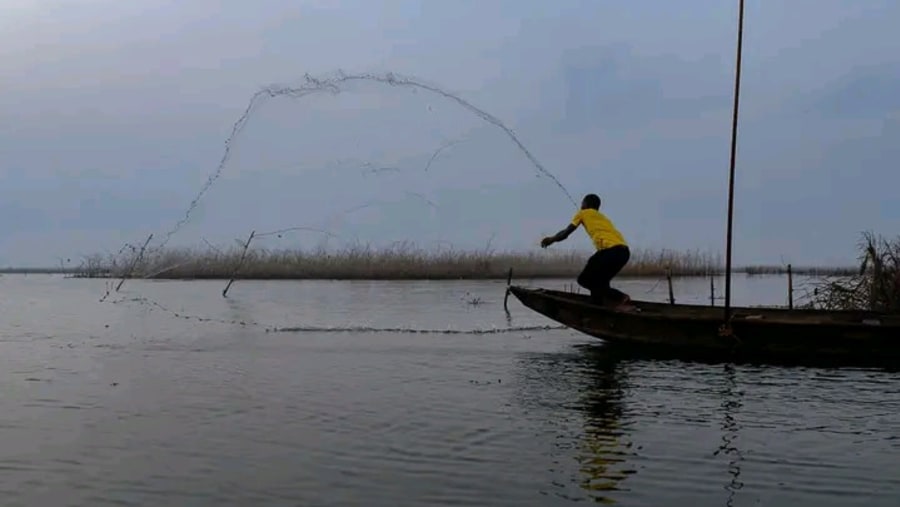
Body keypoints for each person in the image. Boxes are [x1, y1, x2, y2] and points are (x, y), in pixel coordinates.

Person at [541, 193, 632, 307]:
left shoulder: (582, 213)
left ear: (586, 204)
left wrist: (551, 239)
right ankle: (598, 306)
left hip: (610, 251)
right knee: (601, 282)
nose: (580, 205)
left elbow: (565, 233)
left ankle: (620, 297)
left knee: (585, 280)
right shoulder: (602, 217)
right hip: (624, 252)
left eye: (582, 203)